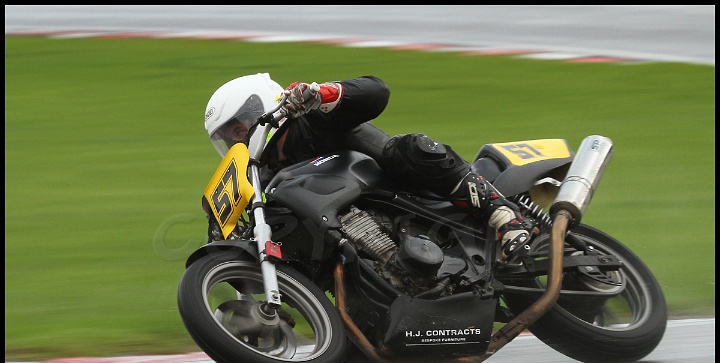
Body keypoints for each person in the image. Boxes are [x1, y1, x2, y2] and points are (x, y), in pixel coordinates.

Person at [203, 73, 537, 261]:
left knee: (409, 148)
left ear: (258, 108)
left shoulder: (308, 117)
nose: (237, 142)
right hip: (352, 228)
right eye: (228, 138)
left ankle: (503, 215)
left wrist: (323, 93)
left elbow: (377, 92)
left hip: (395, 186)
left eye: (238, 129)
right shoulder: (262, 175)